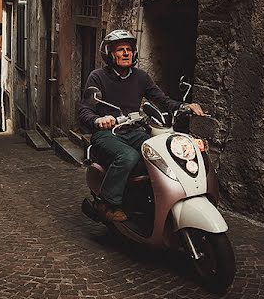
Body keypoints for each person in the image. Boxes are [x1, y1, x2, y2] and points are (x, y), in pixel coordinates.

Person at [78, 29, 204, 221]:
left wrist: (184, 106)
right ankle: (106, 203)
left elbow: (161, 99)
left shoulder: (141, 77)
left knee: (161, 153)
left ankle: (151, 200)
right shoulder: (97, 77)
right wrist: (98, 120)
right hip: (107, 133)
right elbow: (85, 110)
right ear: (110, 54)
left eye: (129, 49)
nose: (126, 53)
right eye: (120, 50)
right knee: (128, 156)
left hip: (134, 131)